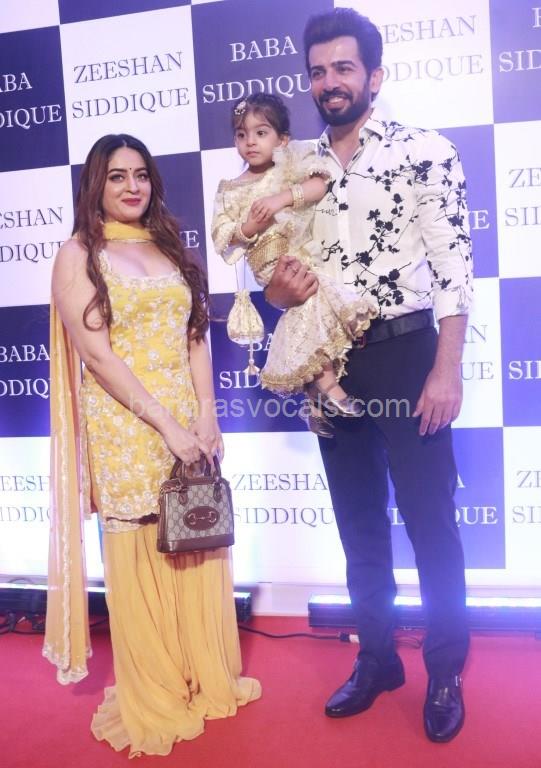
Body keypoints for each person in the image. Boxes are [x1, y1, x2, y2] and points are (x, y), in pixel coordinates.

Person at [265, 8, 473, 743]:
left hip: (409, 355)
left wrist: (445, 370)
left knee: (430, 523)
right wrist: (277, 294)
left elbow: (454, 273)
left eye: (343, 68)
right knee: (357, 524)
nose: (329, 82)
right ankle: (378, 658)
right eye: (318, 71)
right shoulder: (295, 171)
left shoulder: (425, 150)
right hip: (331, 363)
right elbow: (274, 276)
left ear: (373, 76)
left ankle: (445, 669)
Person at [43, 133, 261, 757]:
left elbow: (195, 337)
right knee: (140, 543)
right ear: (96, 185)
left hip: (187, 423)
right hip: (126, 425)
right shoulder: (78, 254)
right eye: (117, 176)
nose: (132, 186)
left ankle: (201, 672)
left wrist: (208, 418)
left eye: (140, 174)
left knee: (193, 537)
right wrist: (166, 424)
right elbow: (97, 356)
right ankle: (156, 690)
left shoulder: (168, 246)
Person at [211, 92, 377, 437]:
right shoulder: (230, 188)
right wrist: (249, 227)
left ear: (282, 139)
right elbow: (222, 236)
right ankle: (328, 388)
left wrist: (281, 199)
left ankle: (316, 404)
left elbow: (319, 183)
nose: (250, 142)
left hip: (305, 253)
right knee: (309, 304)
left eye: (261, 133)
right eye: (241, 134)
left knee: (315, 316)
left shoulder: (291, 163)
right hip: (271, 266)